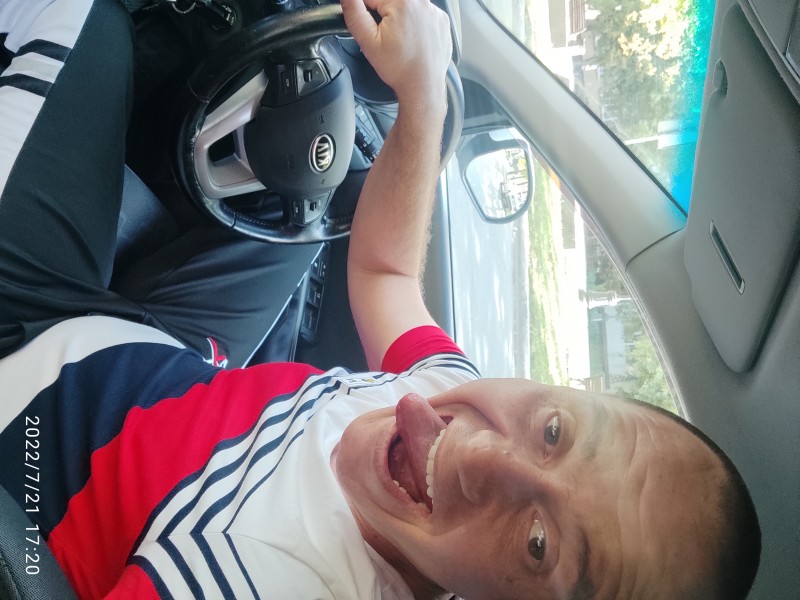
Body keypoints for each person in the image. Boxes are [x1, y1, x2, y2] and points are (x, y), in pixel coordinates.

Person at [0, 0, 761, 598]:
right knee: (301, 215)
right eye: (555, 431)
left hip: (30, 375)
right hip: (163, 371)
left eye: (539, 545)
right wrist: (423, 91)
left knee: (87, 20)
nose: (481, 454)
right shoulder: (450, 394)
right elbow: (387, 276)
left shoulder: (256, 577)